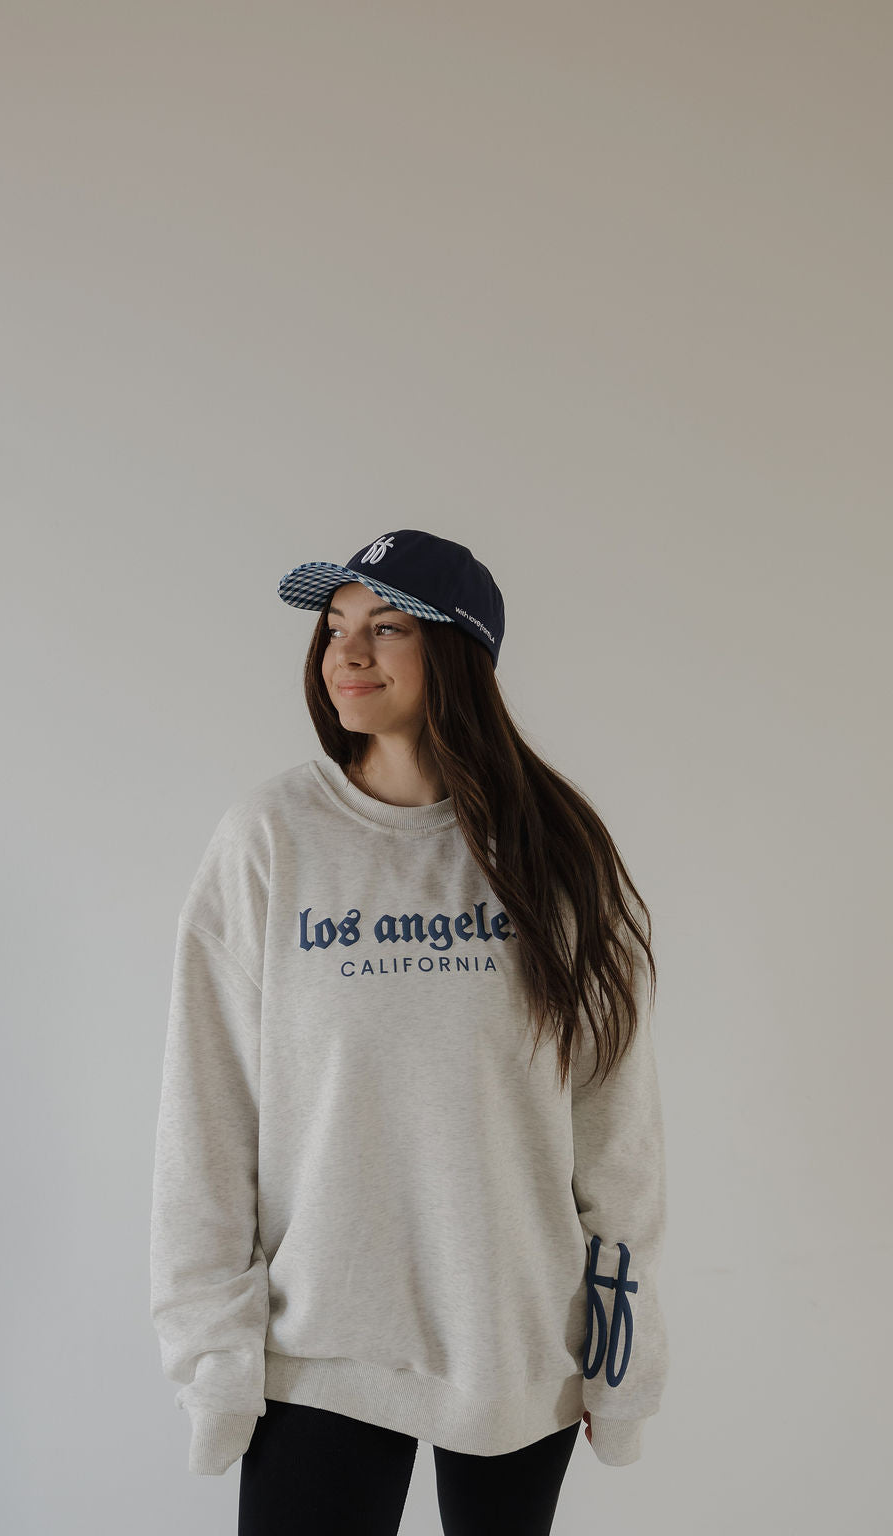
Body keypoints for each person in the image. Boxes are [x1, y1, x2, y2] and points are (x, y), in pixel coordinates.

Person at [149, 529, 669, 1535]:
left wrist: (622, 1356)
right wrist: (213, 1356)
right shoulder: (270, 840)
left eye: (385, 628)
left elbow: (619, 1135)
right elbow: (204, 1120)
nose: (345, 653)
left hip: (519, 1350)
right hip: (321, 1350)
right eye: (335, 626)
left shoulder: (556, 854)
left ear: (461, 654)